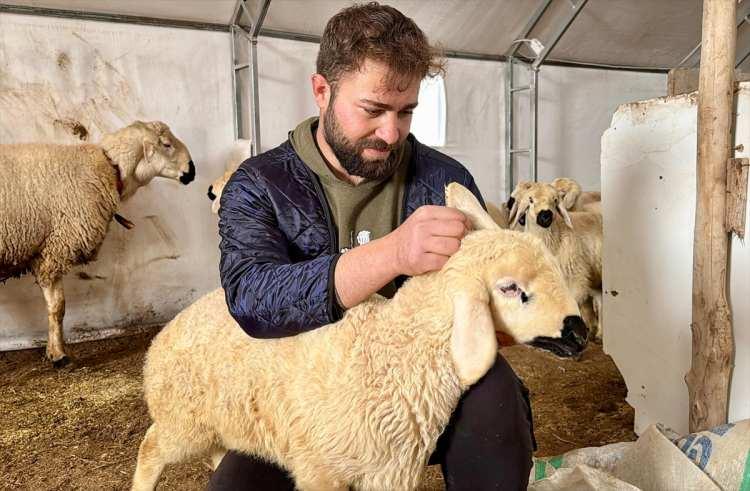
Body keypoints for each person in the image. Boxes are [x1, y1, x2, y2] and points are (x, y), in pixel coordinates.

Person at [212, 3, 535, 489]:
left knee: (495, 393)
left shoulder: (444, 180)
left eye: (406, 112)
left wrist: (507, 311)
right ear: (321, 91)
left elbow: (484, 287)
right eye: (373, 109)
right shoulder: (259, 185)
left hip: (419, 383)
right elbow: (253, 301)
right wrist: (394, 253)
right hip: (304, 393)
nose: (391, 132)